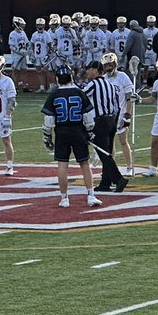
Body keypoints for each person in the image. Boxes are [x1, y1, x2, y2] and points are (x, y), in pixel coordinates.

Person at [42, 65, 102, 208]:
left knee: (62, 165)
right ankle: (91, 195)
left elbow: (48, 120)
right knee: (84, 164)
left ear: (57, 79)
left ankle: (64, 198)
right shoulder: (79, 93)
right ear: (71, 77)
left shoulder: (54, 95)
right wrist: (90, 132)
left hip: (62, 132)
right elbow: (88, 117)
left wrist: (47, 136)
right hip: (78, 131)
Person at [83, 58, 127, 194]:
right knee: (107, 152)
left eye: (89, 69)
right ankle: (105, 183)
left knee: (103, 153)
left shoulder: (93, 84)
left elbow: (81, 97)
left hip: (100, 121)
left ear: (95, 70)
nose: (87, 72)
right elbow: (116, 105)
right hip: (111, 120)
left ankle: (118, 178)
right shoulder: (110, 84)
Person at [7, 17, 30, 86]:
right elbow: (11, 46)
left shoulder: (23, 33)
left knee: (24, 70)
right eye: (21, 24)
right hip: (16, 56)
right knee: (15, 71)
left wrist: (27, 50)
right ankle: (15, 86)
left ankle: (24, 85)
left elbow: (27, 42)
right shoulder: (12, 34)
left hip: (23, 55)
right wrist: (19, 52)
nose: (22, 26)